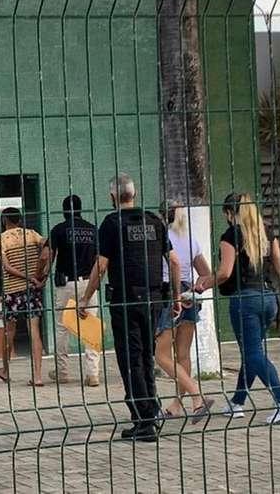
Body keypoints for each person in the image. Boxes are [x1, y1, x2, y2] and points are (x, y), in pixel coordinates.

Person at [78, 173, 181, 442]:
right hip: (154, 299)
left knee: (131, 358)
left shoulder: (112, 223)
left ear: (113, 197)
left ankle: (144, 420)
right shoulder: (154, 221)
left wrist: (86, 298)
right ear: (133, 194)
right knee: (147, 354)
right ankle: (151, 408)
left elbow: (101, 266)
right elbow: (175, 263)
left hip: (126, 301)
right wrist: (178, 298)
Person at [194, 192, 280, 424]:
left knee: (253, 354)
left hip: (245, 301)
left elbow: (225, 272)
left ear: (230, 213)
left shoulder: (231, 235)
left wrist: (202, 284)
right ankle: (237, 402)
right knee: (251, 353)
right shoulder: (265, 232)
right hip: (268, 298)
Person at [35, 195, 101, 387]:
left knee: (62, 327)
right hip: (89, 283)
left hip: (65, 285)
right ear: (80, 209)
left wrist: (40, 276)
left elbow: (46, 257)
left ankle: (63, 371)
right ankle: (93, 373)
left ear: (64, 211)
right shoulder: (92, 230)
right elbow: (99, 260)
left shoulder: (58, 230)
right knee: (90, 326)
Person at [156, 200, 213, 420]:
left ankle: (196, 396)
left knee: (161, 355)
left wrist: (175, 294)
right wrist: (196, 288)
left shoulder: (163, 238)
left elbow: (171, 266)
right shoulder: (191, 240)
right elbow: (206, 272)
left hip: (170, 293)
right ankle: (177, 404)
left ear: (162, 216)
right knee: (183, 355)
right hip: (189, 294)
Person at [0, 208, 46, 386]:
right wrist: (41, 275)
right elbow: (47, 247)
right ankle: (37, 376)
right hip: (32, 290)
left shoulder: (0, 239)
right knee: (35, 331)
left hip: (12, 290)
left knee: (9, 333)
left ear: (4, 220)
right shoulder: (32, 234)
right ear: (20, 220)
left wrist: (28, 277)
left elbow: (6, 267)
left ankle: (6, 370)